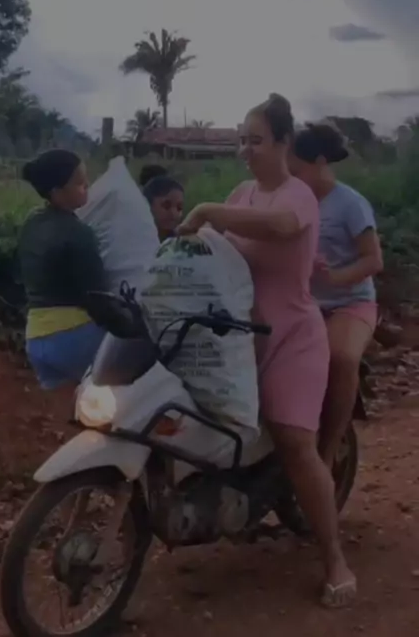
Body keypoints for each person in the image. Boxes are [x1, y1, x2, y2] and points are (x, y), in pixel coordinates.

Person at [177, 94, 355, 607]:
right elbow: (210, 246)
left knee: (296, 445)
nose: (245, 150)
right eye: (241, 140)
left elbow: (280, 227)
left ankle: (335, 560)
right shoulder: (243, 193)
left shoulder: (298, 195)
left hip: (292, 337)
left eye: (255, 140)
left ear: (283, 142)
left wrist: (207, 211)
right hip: (238, 337)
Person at [290, 122, 383, 469]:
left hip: (351, 303)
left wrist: (335, 277)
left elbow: (374, 260)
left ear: (318, 162)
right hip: (305, 303)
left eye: (296, 167)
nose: (291, 175)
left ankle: (326, 456)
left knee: (341, 358)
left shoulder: (350, 204)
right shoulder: (293, 202)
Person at [19, 149, 107, 389]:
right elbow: (98, 296)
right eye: (79, 183)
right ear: (57, 192)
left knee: (64, 408)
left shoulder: (31, 223)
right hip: (75, 338)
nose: (87, 186)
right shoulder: (79, 233)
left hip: (35, 339)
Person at [143, 175, 184, 241]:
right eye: (166, 206)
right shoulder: (135, 240)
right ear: (148, 204)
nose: (173, 214)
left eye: (179, 208)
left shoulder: (184, 243)